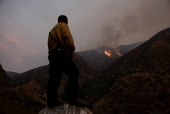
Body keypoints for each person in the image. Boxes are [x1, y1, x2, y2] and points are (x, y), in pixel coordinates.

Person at [47, 15, 85, 109]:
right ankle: (73, 98)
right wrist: (72, 50)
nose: (67, 23)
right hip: (61, 54)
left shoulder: (52, 31)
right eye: (67, 21)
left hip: (53, 55)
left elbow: (49, 46)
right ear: (65, 20)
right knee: (74, 73)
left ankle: (52, 101)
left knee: (54, 78)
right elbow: (68, 39)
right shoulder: (63, 25)